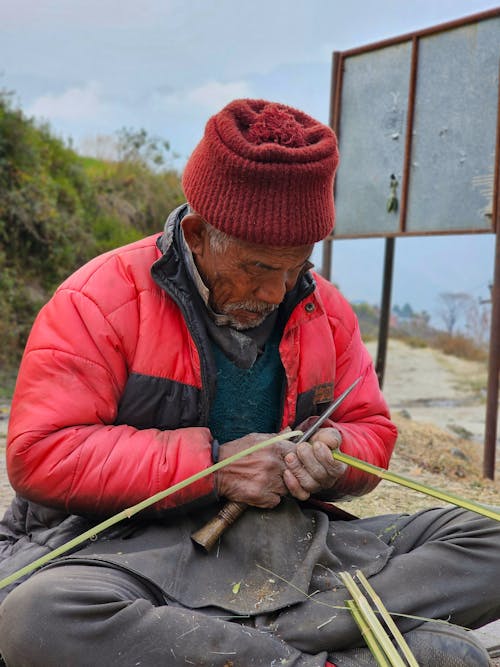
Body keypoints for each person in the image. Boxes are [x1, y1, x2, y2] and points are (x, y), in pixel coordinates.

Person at [0, 98, 497, 667]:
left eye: (296, 265)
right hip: (130, 552)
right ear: (197, 232)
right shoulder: (100, 300)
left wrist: (335, 457)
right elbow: (40, 454)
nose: (277, 291)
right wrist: (214, 466)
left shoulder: (324, 310)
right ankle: (341, 648)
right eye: (259, 267)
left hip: (290, 546)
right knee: (39, 615)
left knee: (491, 541)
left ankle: (258, 643)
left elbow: (370, 427)